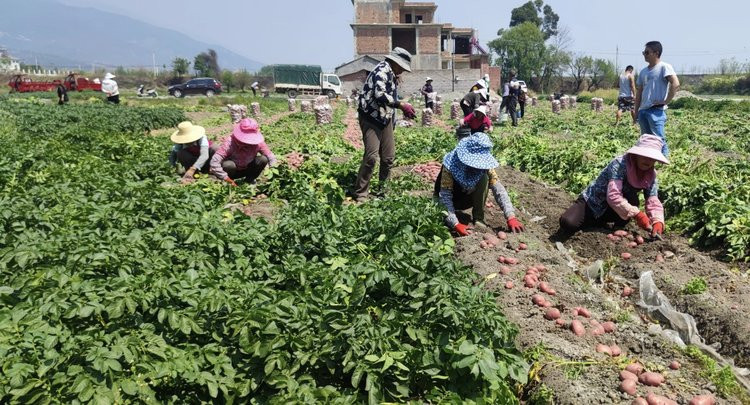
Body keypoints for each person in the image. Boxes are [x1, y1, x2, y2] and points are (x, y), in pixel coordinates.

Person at [559, 134, 668, 237]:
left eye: (652, 158)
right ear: (637, 154)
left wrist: (657, 221)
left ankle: (603, 223)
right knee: (568, 223)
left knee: (633, 199)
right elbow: (613, 195)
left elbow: (652, 199)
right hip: (592, 202)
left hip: (614, 209)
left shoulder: (651, 174)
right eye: (645, 156)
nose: (648, 160)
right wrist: (638, 214)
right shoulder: (620, 164)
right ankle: (593, 221)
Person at [353, 47, 416, 201]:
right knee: (371, 156)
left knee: (388, 157)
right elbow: (380, 95)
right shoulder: (381, 70)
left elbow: (389, 97)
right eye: (401, 67)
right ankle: (360, 192)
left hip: (385, 118)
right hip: (370, 117)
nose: (402, 70)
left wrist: (396, 117)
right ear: (395, 62)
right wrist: (401, 105)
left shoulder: (393, 74)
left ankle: (383, 191)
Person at [434, 133, 525, 236]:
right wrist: (455, 223)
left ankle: (478, 218)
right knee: (441, 212)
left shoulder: (485, 168)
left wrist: (511, 216)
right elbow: (444, 196)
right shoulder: (450, 165)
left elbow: (499, 189)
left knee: (484, 178)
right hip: (444, 201)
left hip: (466, 200)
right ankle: (449, 217)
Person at [635, 41, 680, 156]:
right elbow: (639, 92)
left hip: (656, 110)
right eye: (643, 52)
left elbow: (675, 84)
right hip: (643, 110)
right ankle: (650, 160)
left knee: (659, 139)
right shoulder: (643, 71)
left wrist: (665, 101)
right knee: (646, 140)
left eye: (647, 52)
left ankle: (664, 160)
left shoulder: (664, 67)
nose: (644, 54)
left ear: (656, 53)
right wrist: (636, 112)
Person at [209, 118, 277, 186]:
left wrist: (274, 172)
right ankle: (228, 183)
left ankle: (249, 180)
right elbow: (214, 161)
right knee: (229, 165)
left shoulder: (258, 143)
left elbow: (270, 157)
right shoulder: (230, 143)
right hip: (232, 172)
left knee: (263, 159)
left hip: (247, 169)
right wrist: (225, 178)